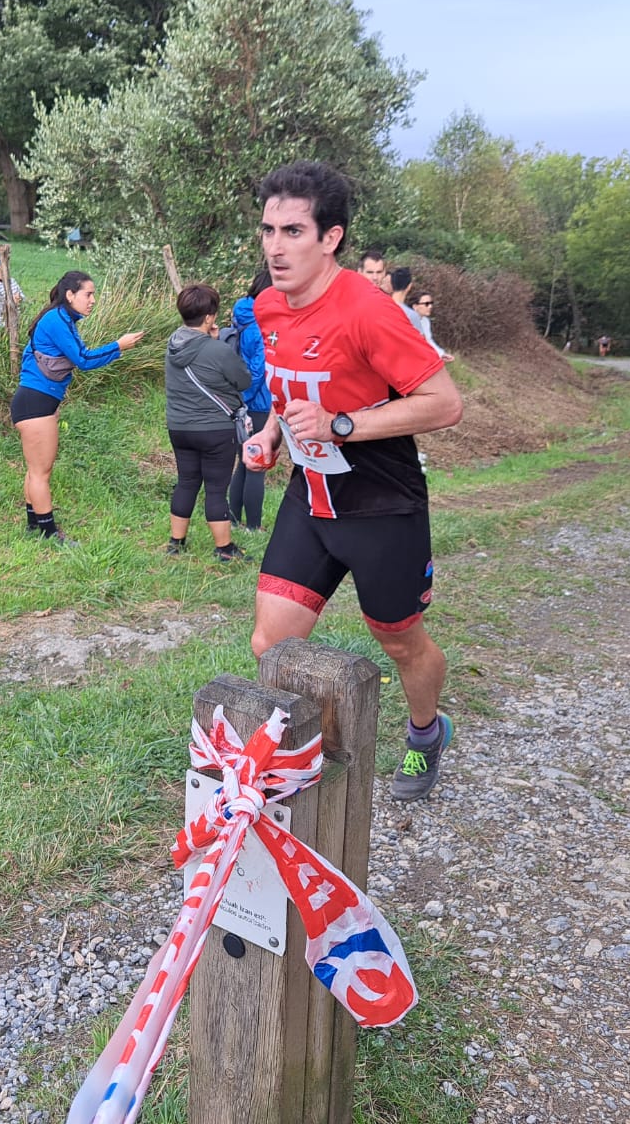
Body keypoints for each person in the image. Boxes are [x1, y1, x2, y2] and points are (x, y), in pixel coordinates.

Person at [241, 161, 463, 803]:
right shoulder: (267, 306)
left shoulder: (368, 312)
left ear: (330, 238)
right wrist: (272, 435)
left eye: (292, 231)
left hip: (379, 501)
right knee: (270, 640)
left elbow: (445, 404)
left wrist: (342, 424)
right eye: (267, 230)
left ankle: (425, 735)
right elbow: (290, 396)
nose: (275, 247)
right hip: (310, 497)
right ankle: (284, 763)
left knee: (399, 640)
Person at [11, 271, 145, 543]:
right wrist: (119, 345)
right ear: (70, 295)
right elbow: (83, 359)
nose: (93, 300)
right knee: (40, 472)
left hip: (39, 403)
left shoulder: (64, 319)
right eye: (88, 294)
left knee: (36, 469)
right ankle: (49, 535)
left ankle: (34, 527)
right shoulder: (57, 320)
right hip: (34, 403)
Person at [164, 283, 251, 561]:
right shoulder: (219, 351)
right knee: (215, 488)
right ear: (210, 317)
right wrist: (216, 343)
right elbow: (244, 380)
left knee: (186, 481)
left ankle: (176, 543)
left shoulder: (172, 345)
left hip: (179, 427)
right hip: (214, 429)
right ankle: (224, 549)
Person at [225, 269, 273, 531]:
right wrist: (248, 400)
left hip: (235, 397)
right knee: (256, 463)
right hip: (257, 402)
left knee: (242, 461)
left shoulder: (240, 314)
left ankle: (233, 520)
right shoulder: (262, 324)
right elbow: (258, 370)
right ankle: (253, 527)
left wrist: (237, 399)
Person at [0, 252, 23, 329]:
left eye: (5, 268)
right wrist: (9, 303)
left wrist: (19, 298)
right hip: (3, 325)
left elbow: (23, 298)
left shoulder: (12, 281)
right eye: (0, 270)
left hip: (17, 321)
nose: (3, 271)